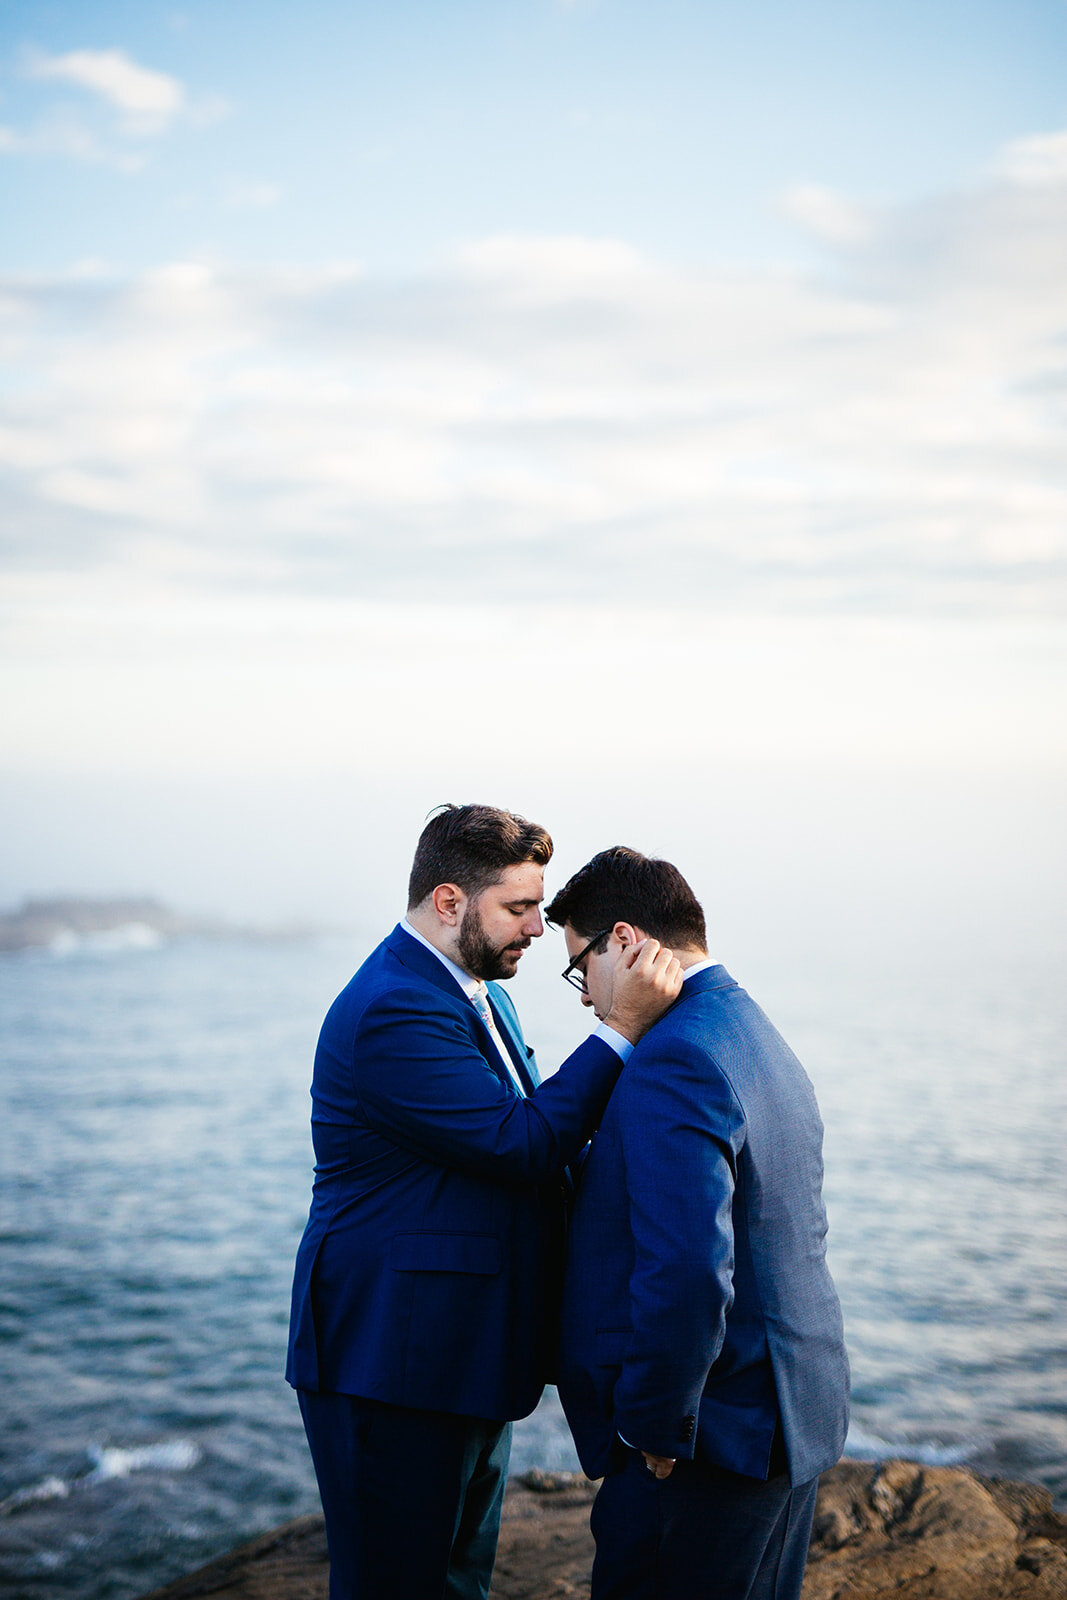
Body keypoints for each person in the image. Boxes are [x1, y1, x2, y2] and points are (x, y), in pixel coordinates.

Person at [285, 806, 682, 1600]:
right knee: (395, 1586)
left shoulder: (475, 992)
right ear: (447, 901)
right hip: (390, 1360)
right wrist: (621, 1029)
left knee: (457, 1580)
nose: (539, 928)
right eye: (518, 907)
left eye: (536, 906)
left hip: (457, 1350)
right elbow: (522, 1142)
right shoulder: (393, 1009)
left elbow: (536, 1151)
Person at [545, 847, 850, 1600]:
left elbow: (685, 1271)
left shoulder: (672, 1058)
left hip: (707, 1442)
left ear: (623, 940)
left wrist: (653, 1424)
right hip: (785, 1414)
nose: (586, 997)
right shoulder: (750, 1028)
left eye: (580, 967)